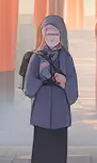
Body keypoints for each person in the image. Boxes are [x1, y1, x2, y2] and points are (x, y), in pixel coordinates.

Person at [24, 15, 79, 163]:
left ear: (61, 35)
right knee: (40, 154)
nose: (52, 37)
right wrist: (43, 78)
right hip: (41, 114)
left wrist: (64, 82)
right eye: (48, 33)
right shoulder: (37, 57)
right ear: (43, 35)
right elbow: (28, 88)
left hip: (60, 115)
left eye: (55, 34)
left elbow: (73, 93)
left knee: (58, 154)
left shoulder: (66, 57)